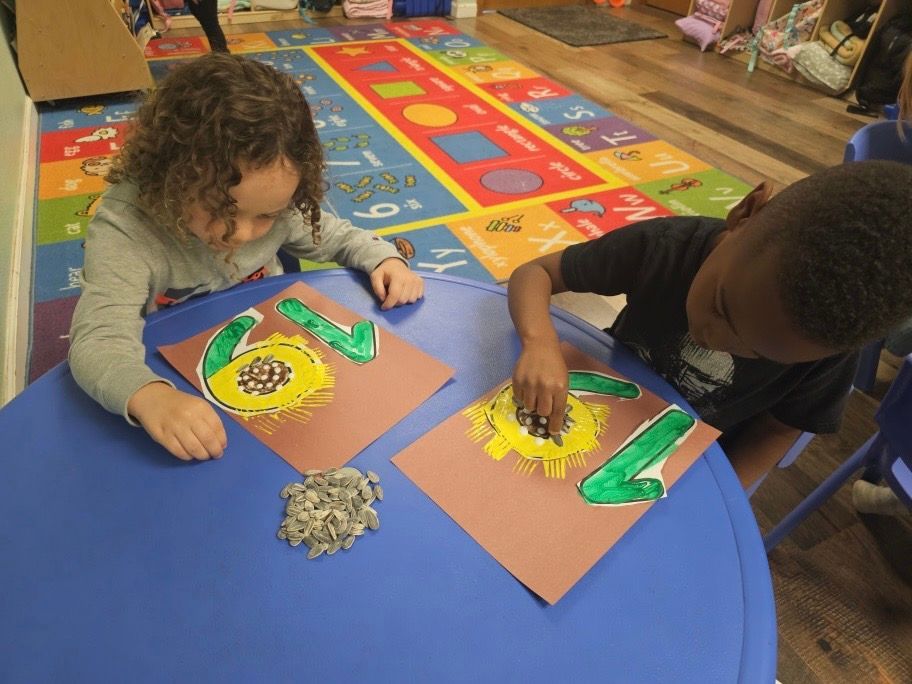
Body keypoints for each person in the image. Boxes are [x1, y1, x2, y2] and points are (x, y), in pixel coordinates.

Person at [69, 52, 423, 463]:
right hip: (169, 365)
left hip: (265, 347)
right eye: (221, 210)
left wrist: (385, 259)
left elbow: (339, 236)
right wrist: (148, 396)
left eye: (266, 216)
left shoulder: (277, 204)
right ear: (173, 178)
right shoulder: (127, 230)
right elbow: (97, 339)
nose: (242, 234)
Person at [507, 161, 912, 489]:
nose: (713, 340)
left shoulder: (829, 353)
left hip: (682, 462)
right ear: (745, 213)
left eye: (756, 352)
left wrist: (727, 495)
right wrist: (540, 342)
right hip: (596, 406)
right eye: (721, 306)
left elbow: (776, 431)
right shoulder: (665, 247)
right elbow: (535, 273)